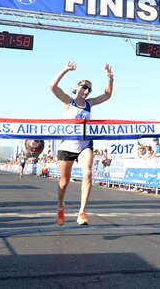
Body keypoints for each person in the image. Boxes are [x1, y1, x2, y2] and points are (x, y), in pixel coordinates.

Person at [49, 61, 113, 226]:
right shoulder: (68, 101)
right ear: (77, 87)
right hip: (67, 146)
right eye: (84, 87)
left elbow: (106, 95)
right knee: (64, 181)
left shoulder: (89, 104)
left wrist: (110, 79)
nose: (87, 91)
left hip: (85, 144)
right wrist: (65, 69)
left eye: (89, 89)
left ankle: (82, 212)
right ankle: (60, 206)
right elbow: (52, 86)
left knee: (88, 173)